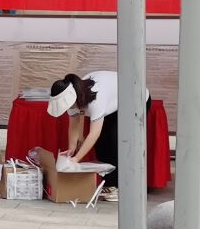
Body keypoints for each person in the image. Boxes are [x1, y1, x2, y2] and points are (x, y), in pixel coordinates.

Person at [47, 70, 139, 201]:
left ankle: (121, 188)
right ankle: (110, 185)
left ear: (74, 98)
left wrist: (76, 159)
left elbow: (94, 133)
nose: (69, 108)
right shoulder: (73, 98)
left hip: (135, 99)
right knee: (101, 145)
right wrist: (72, 149)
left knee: (115, 141)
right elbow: (73, 125)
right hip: (114, 103)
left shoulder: (96, 100)